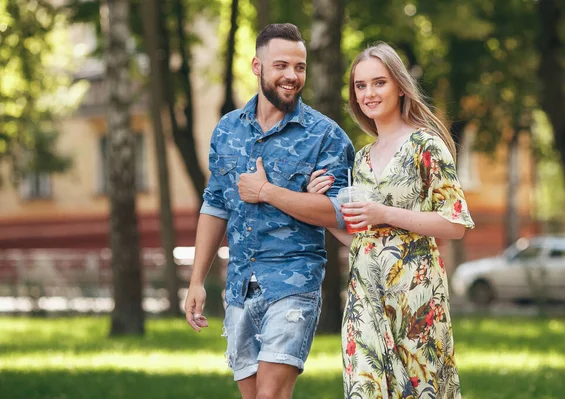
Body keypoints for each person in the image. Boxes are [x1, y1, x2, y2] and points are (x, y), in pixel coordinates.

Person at [184, 23, 355, 399]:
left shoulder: (325, 137)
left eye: (300, 67)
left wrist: (265, 191)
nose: (292, 76)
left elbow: (341, 216)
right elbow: (215, 206)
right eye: (281, 66)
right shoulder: (227, 130)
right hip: (240, 286)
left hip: (294, 285)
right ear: (257, 66)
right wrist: (197, 280)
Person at [307, 42, 474, 398]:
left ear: (399, 85)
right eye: (360, 85)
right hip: (364, 296)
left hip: (416, 298)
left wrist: (383, 213)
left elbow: (455, 224)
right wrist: (320, 208)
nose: (369, 93)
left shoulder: (425, 146)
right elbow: (363, 240)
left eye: (379, 82)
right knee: (363, 390)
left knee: (419, 389)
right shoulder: (362, 157)